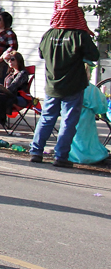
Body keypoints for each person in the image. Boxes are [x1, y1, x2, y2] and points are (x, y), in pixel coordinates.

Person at [29, 27, 100, 167]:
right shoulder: (79, 35)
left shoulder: (49, 33)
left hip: (52, 85)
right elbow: (94, 55)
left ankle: (36, 152)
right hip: (73, 86)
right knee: (68, 121)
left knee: (46, 118)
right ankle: (61, 156)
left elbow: (41, 54)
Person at [69, 82, 110, 165]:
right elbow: (101, 107)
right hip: (86, 118)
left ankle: (71, 154)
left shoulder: (68, 85)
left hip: (69, 114)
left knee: (71, 136)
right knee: (87, 139)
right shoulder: (91, 89)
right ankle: (89, 156)